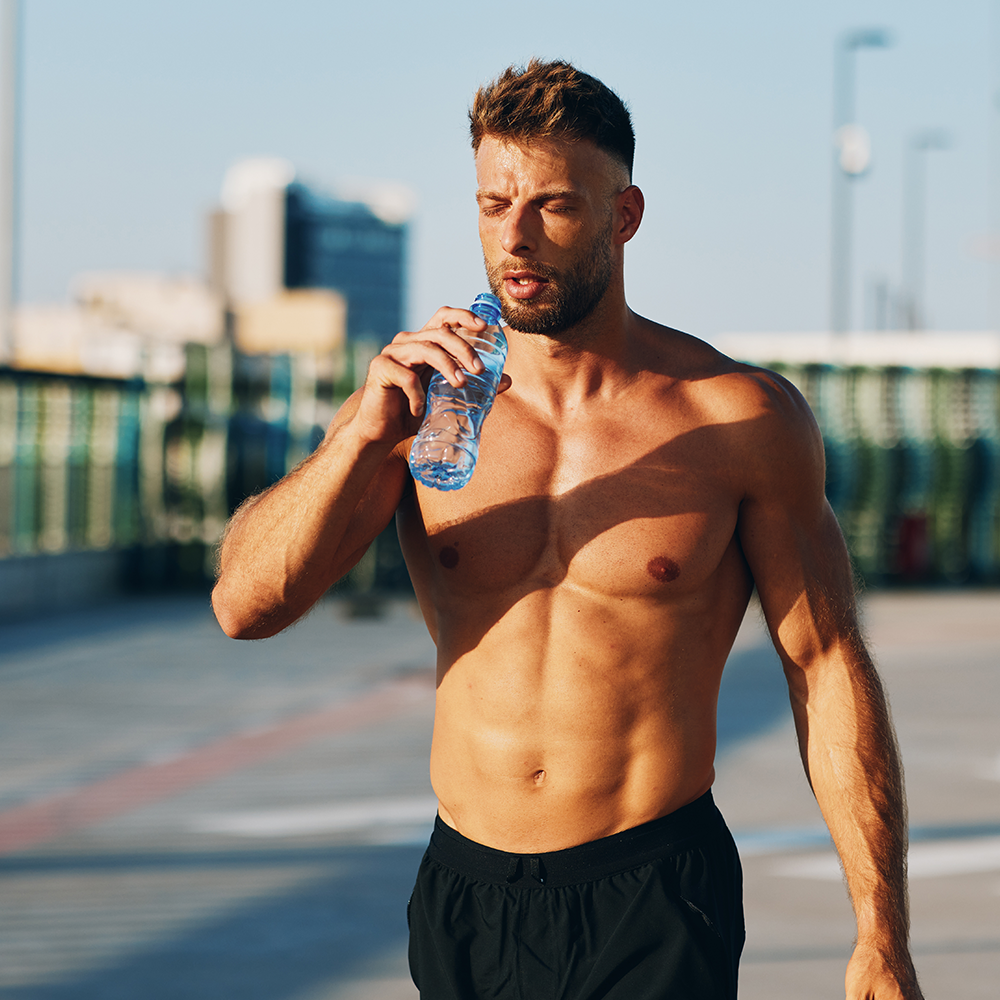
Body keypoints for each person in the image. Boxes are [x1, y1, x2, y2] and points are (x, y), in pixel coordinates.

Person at [212, 60, 923, 1000]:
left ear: (623, 217)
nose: (515, 237)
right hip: (466, 890)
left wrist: (881, 933)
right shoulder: (421, 404)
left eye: (553, 205)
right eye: (494, 202)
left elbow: (826, 665)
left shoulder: (735, 418)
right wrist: (358, 440)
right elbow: (245, 607)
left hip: (655, 889)